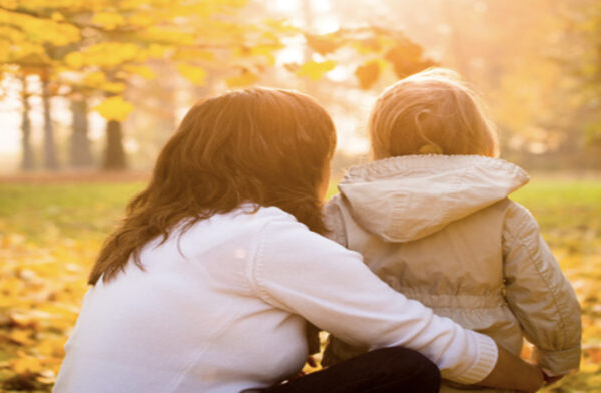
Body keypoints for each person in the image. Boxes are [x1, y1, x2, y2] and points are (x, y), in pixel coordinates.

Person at [53, 87, 545, 393]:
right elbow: (416, 333)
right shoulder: (262, 236)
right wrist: (528, 378)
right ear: (296, 162)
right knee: (403, 370)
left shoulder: (164, 231)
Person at [320, 68, 582, 392]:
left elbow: (312, 286)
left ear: (379, 140)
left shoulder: (341, 211)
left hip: (373, 372)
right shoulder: (502, 215)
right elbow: (545, 293)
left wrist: (304, 343)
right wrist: (558, 356)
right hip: (486, 371)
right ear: (478, 136)